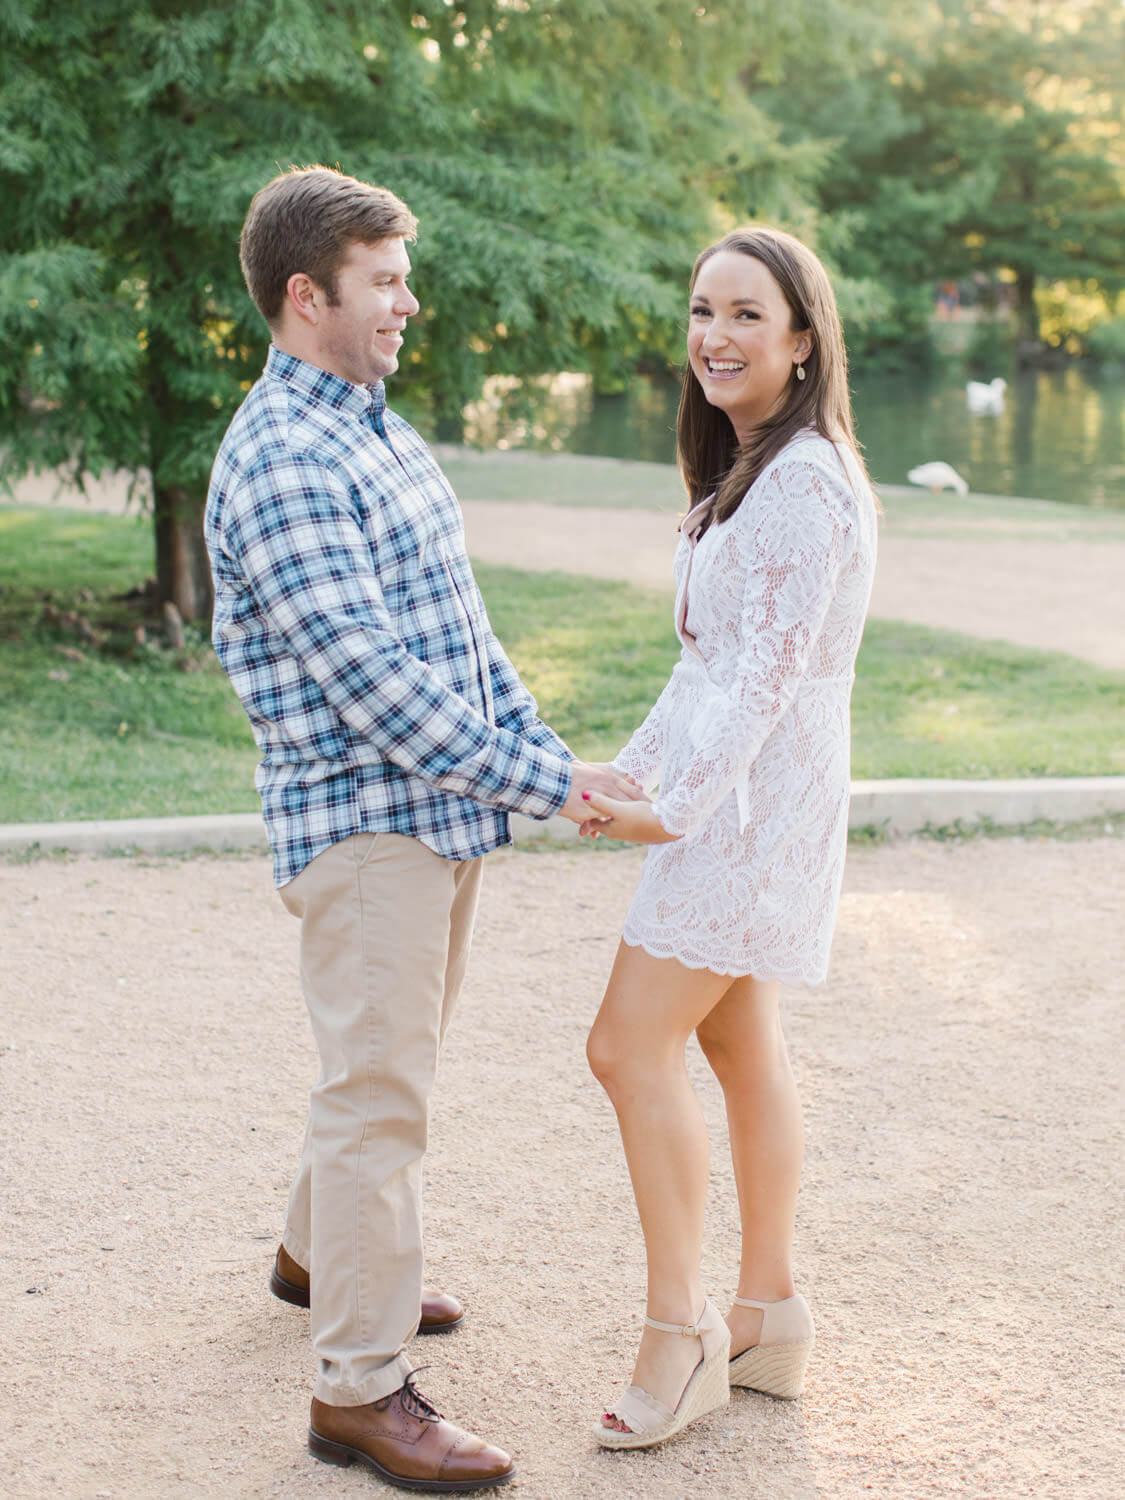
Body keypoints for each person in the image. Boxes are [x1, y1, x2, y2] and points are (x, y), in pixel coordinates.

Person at [203, 165, 642, 1492]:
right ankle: (358, 1388)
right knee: (379, 1094)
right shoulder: (285, 454)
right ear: (304, 296)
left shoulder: (371, 425)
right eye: (383, 282)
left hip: (430, 818)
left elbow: (458, 636)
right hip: (364, 824)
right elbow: (377, 687)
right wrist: (552, 791)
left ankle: (308, 1258)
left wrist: (556, 758)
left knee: (380, 1066)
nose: (408, 303)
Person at [579, 226, 878, 1450]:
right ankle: (769, 1309)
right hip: (736, 813)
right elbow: (703, 667)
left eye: (748, 314)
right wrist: (627, 771)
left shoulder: (805, 482)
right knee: (741, 1044)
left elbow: (761, 686)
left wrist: (672, 809)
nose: (715, 335)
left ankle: (683, 1331)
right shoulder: (754, 472)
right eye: (704, 310)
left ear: (803, 340)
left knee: (623, 1048)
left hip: (749, 823)